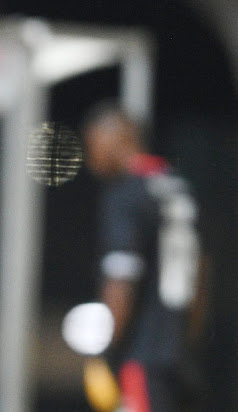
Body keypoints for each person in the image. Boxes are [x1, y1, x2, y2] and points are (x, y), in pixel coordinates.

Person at [81, 102, 203, 412]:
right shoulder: (176, 187)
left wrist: (104, 352)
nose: (90, 156)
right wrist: (187, 340)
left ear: (119, 137)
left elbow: (121, 279)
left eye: (93, 143)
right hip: (179, 352)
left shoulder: (126, 193)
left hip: (143, 354)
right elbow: (203, 270)